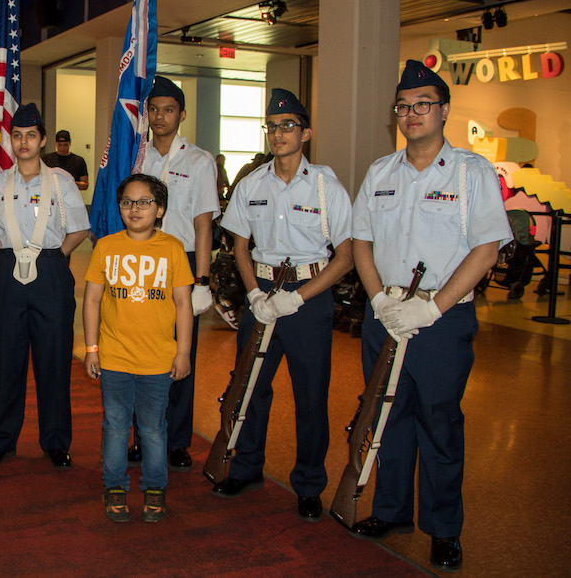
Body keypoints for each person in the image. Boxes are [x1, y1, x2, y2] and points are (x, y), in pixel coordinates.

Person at [350, 60, 512, 571]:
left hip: (442, 320)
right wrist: (379, 302)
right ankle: (391, 510)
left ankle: (444, 530)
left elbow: (486, 249)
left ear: (444, 111)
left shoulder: (471, 172)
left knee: (439, 425)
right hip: (386, 312)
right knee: (388, 417)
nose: (412, 114)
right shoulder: (381, 172)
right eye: (403, 106)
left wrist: (431, 308)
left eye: (423, 105)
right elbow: (361, 243)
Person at [214, 89, 354, 521]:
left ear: (306, 133)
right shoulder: (252, 183)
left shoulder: (327, 185)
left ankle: (310, 484)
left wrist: (298, 296)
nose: (278, 134)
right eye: (272, 127)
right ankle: (247, 467)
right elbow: (239, 245)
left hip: (307, 300)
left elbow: (345, 256)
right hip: (261, 295)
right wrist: (255, 292)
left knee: (310, 396)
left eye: (288, 126)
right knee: (250, 386)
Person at [0, 104, 91, 469]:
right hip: (6, 270)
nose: (23, 143)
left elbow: (80, 228)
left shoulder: (60, 181)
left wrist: (54, 257)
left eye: (31, 136)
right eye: (17, 136)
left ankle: (56, 441)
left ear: (42, 140)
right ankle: (2, 440)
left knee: (54, 359)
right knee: (5, 360)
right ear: (11, 140)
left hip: (50, 271)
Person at [83, 174, 194, 523]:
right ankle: (114, 485)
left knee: (152, 428)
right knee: (115, 425)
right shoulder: (106, 246)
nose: (135, 209)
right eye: (128, 202)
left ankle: (155, 487)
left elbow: (183, 304)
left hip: (158, 360)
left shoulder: (173, 248)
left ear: (159, 209)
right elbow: (92, 299)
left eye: (144, 202)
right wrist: (91, 348)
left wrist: (183, 352)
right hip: (114, 357)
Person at [130, 76, 219, 471]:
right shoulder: (137, 157)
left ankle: (177, 440)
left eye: (168, 110)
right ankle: (139, 437)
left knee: (181, 354)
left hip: (181, 262)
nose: (160, 116)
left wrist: (202, 281)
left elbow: (203, 226)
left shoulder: (199, 161)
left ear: (181, 115)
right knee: (140, 351)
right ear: (146, 114)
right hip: (140, 258)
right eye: (154, 109)